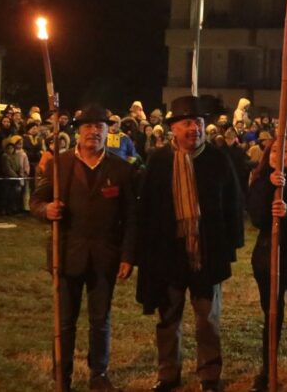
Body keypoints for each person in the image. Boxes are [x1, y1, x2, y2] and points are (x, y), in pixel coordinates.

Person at [136, 96, 244, 392]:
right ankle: (168, 373)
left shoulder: (217, 159)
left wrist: (230, 247)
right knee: (168, 317)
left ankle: (209, 375)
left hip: (206, 253)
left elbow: (233, 204)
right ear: (174, 128)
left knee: (207, 318)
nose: (194, 128)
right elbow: (145, 208)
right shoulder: (158, 161)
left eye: (198, 122)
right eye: (187, 123)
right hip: (168, 253)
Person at [30, 105, 139, 392]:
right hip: (66, 255)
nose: (94, 132)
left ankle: (98, 375)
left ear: (108, 131)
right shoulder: (59, 165)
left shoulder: (121, 169)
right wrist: (46, 210)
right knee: (65, 322)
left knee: (100, 320)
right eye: (88, 126)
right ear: (79, 131)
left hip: (105, 256)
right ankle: (62, 377)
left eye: (99, 127)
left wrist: (128, 256)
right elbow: (36, 200)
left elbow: (131, 218)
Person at [245, 135, 287, 392]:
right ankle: (267, 370)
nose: (279, 157)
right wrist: (269, 188)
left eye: (286, 152)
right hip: (268, 257)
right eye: (273, 153)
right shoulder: (259, 181)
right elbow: (257, 218)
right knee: (272, 315)